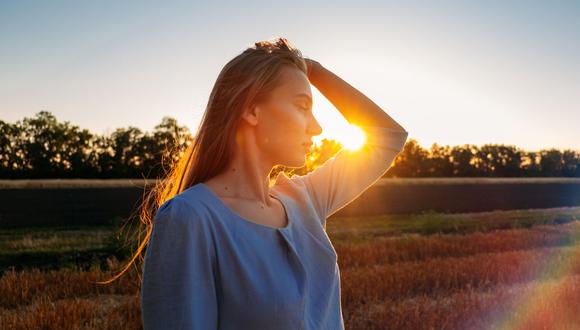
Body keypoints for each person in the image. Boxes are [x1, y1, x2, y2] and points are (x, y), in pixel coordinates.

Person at [139, 37, 409, 329]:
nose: (317, 127)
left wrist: (313, 70)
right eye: (302, 106)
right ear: (251, 110)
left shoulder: (305, 200)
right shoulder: (190, 218)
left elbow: (387, 136)